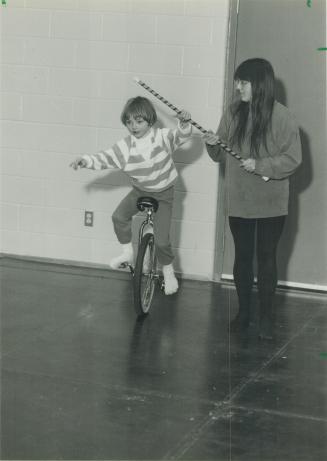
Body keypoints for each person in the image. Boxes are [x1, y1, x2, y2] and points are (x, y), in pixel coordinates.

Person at [203, 58, 302, 339]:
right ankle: (244, 313)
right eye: (237, 82)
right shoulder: (233, 113)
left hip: (272, 202)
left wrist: (260, 165)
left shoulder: (284, 117)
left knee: (267, 256)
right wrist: (212, 144)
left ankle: (267, 317)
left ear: (259, 85)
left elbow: (293, 159)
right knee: (243, 256)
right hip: (240, 199)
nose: (238, 88)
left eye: (243, 83)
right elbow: (220, 153)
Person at [70, 96, 192, 295]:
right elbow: (105, 157)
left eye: (139, 121)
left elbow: (181, 136)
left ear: (150, 120)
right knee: (118, 217)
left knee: (162, 241)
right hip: (140, 191)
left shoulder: (161, 137)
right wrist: (85, 160)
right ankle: (128, 253)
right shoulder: (125, 146)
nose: (133, 126)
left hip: (164, 194)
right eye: (129, 122)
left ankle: (168, 272)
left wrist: (184, 123)